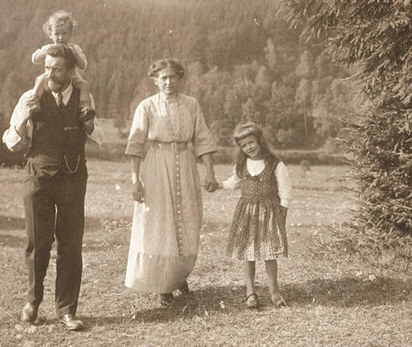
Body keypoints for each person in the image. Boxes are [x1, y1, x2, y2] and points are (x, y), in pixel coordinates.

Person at [2, 44, 101, 331]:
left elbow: (98, 137)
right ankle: (33, 302)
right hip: (38, 177)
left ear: (70, 71)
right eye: (46, 68)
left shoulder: (84, 98)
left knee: (70, 244)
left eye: (56, 69)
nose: (50, 74)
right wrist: (24, 117)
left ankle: (67, 310)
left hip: (72, 177)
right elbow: (11, 142)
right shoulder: (30, 97)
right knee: (38, 243)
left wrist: (88, 121)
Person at [125, 59, 220, 307]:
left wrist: (210, 173)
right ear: (155, 81)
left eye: (173, 77)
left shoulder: (191, 104)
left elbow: (202, 139)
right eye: (163, 78)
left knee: (187, 219)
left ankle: (178, 276)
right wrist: (135, 180)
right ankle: (162, 284)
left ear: (180, 78)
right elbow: (135, 146)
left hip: (186, 165)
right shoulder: (147, 106)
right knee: (160, 222)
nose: (168, 82)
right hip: (157, 166)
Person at [219, 122, 292, 309]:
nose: (248, 147)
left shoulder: (275, 163)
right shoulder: (241, 164)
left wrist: (282, 215)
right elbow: (234, 182)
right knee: (248, 253)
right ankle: (250, 292)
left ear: (260, 140)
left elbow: (285, 191)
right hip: (247, 213)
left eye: (251, 142)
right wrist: (218, 185)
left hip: (269, 212)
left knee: (269, 254)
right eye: (243, 145)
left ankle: (274, 292)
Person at [26, 10, 95, 124]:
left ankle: (85, 108)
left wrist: (75, 55)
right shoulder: (49, 47)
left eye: (64, 33)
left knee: (84, 85)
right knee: (40, 80)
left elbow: (83, 65)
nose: (61, 37)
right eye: (57, 34)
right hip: (52, 77)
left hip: (73, 78)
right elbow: (35, 59)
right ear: (50, 34)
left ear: (70, 33)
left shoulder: (74, 48)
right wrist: (47, 52)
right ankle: (34, 104)